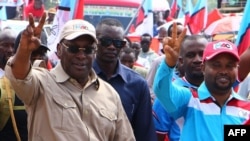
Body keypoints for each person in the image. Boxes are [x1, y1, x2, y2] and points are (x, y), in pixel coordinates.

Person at [5, 13, 135, 141]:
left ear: (94, 52)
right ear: (59, 50)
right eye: (73, 48)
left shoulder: (110, 94)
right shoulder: (41, 83)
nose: (81, 55)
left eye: (88, 50)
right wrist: (24, 51)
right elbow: (19, 75)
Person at [153, 24, 250, 141]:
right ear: (203, 68)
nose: (224, 71)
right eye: (216, 65)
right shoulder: (188, 100)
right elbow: (161, 90)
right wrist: (169, 64)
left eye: (230, 66)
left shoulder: (246, 109)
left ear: (236, 69)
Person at [93, 18, 157, 141]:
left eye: (117, 43)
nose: (112, 47)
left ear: (123, 45)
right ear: (95, 42)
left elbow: (145, 132)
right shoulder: (81, 77)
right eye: (106, 41)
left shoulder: (137, 84)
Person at [152, 35, 208, 141]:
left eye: (202, 54)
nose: (198, 60)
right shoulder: (168, 95)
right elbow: (156, 136)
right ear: (181, 61)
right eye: (191, 55)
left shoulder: (222, 93)